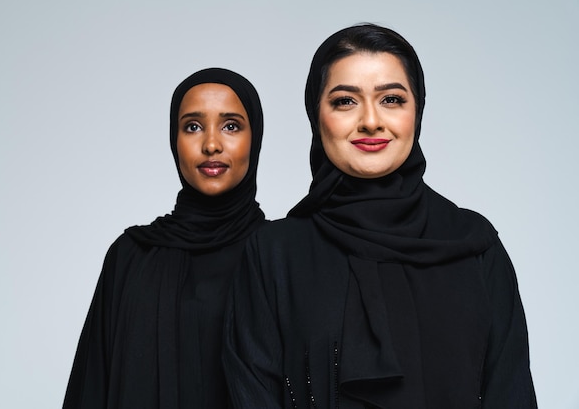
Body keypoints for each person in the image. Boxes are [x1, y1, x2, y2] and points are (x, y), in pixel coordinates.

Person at [223, 24, 537, 408]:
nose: (371, 121)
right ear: (315, 115)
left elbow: (511, 393)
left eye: (391, 99)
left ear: (417, 110)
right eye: (345, 101)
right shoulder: (274, 254)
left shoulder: (475, 246)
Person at [63, 68, 266, 408]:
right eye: (193, 126)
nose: (211, 144)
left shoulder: (281, 253)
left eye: (231, 125)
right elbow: (93, 387)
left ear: (255, 137)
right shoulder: (130, 256)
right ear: (175, 140)